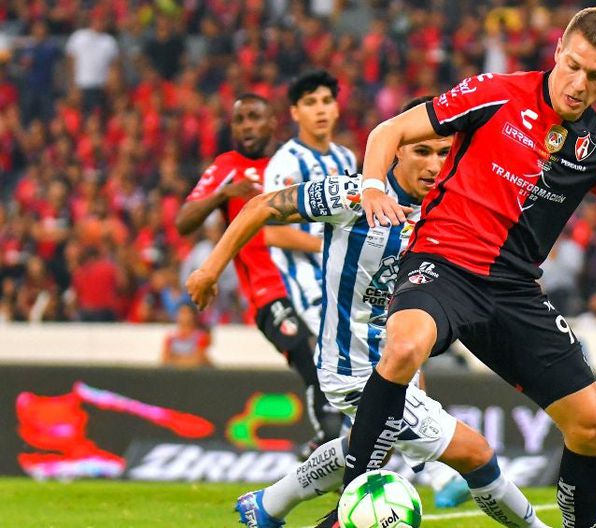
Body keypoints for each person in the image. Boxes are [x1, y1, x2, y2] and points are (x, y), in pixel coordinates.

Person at [318, 7, 596, 528]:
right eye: (573, 66)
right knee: (402, 348)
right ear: (558, 49)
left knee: (593, 426)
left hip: (513, 291)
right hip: (442, 262)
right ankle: (350, 505)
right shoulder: (495, 92)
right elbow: (389, 130)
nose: (579, 84)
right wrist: (372, 186)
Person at [187, 97, 549, 528]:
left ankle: (267, 506)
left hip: (399, 365)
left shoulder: (452, 211)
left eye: (443, 152)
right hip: (354, 369)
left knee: (368, 446)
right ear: (396, 149)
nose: (434, 165)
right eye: (421, 151)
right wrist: (209, 269)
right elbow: (261, 206)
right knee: (477, 455)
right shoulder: (355, 196)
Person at [175, 93, 341, 456]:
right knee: (308, 350)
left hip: (312, 284)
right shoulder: (228, 166)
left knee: (338, 358)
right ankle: (327, 439)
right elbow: (183, 222)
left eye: (254, 117)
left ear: (273, 122)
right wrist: (223, 194)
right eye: (239, 120)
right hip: (268, 293)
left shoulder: (294, 162)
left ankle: (342, 444)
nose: (246, 126)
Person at [263, 69, 356, 354]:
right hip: (308, 282)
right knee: (347, 353)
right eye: (310, 102)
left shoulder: (345, 157)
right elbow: (272, 232)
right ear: (295, 112)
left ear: (336, 108)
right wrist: (326, 246)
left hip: (345, 276)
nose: (320, 110)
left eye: (326, 101)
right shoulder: (286, 163)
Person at [161, 303, 212, 368]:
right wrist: (188, 359)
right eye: (181, 313)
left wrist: (176, 358)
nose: (183, 316)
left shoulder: (201, 336)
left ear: (193, 315)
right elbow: (165, 359)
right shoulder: (171, 337)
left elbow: (199, 359)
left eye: (186, 313)